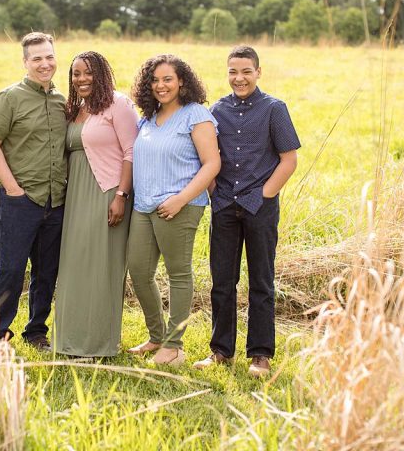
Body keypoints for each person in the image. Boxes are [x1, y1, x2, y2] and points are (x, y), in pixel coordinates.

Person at [193, 45, 300, 377]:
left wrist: (265, 195)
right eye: (232, 72)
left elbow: (289, 160)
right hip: (224, 205)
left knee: (261, 282)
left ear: (258, 72)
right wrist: (214, 192)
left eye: (245, 71)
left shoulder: (274, 109)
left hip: (260, 208)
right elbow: (206, 156)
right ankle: (221, 351)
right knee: (222, 282)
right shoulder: (216, 111)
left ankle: (260, 354)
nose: (239, 78)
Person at [126, 54, 221, 366]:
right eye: (155, 80)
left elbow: (212, 164)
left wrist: (181, 199)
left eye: (167, 79)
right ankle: (157, 336)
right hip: (144, 205)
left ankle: (174, 347)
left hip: (180, 205)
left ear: (182, 81)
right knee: (139, 270)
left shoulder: (196, 115)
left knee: (178, 273)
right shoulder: (148, 119)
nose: (160, 85)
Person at [0, 32, 67, 351]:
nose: (45, 64)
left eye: (49, 57)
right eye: (37, 59)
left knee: (47, 272)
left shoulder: (62, 101)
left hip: (55, 201)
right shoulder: (9, 98)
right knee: (12, 269)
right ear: (25, 62)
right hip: (20, 201)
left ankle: (36, 331)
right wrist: (13, 188)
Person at [53, 51, 139, 357]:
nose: (81, 79)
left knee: (102, 268)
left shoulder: (118, 104)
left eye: (88, 73)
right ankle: (68, 340)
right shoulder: (74, 109)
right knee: (74, 267)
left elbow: (131, 151)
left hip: (108, 193)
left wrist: (121, 196)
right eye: (76, 74)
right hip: (76, 196)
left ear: (101, 74)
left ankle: (99, 343)